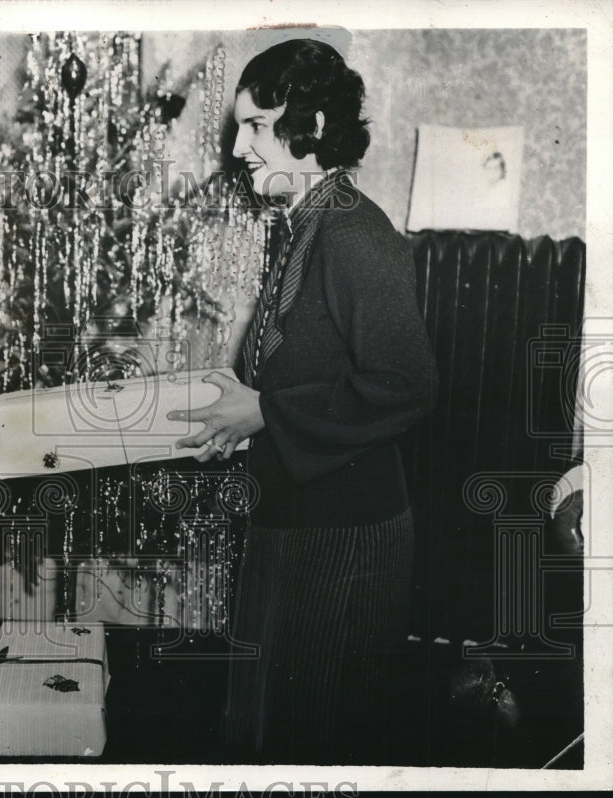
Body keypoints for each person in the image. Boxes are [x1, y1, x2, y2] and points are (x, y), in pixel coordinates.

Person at [169, 39, 438, 764]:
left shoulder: (354, 232)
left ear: (311, 127)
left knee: (315, 737)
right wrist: (246, 410)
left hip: (344, 542)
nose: (237, 145)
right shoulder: (309, 221)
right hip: (296, 520)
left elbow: (406, 383)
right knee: (274, 728)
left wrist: (264, 415)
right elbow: (300, 366)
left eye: (256, 125)